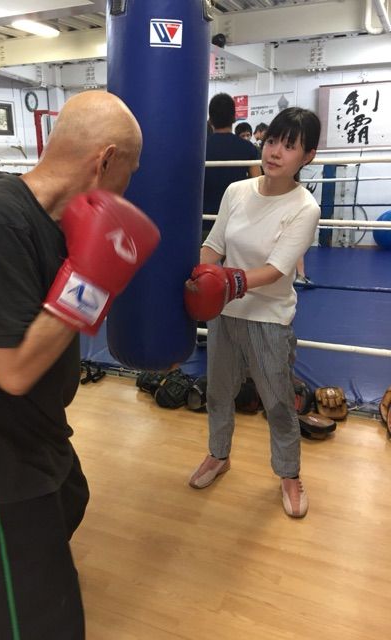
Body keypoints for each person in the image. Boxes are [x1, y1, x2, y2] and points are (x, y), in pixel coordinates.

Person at [0, 90, 160, 640]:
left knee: (71, 500)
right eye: (130, 170)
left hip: (35, 438)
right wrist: (91, 282)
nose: (129, 186)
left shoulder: (46, 224)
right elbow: (14, 371)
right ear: (106, 161)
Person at [184, 107, 321, 518]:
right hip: (224, 314)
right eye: (272, 141)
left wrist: (225, 283)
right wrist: (197, 276)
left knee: (277, 402)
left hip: (269, 319)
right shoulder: (237, 191)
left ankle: (289, 474)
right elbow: (214, 244)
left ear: (308, 156)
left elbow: (277, 269)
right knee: (218, 392)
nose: (275, 152)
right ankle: (218, 455)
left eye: (290, 146)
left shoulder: (305, 207)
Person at [203, 94, 261, 218]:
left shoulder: (199, 149)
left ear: (210, 120)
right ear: (234, 118)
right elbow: (257, 184)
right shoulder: (248, 148)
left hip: (204, 218)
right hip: (237, 218)